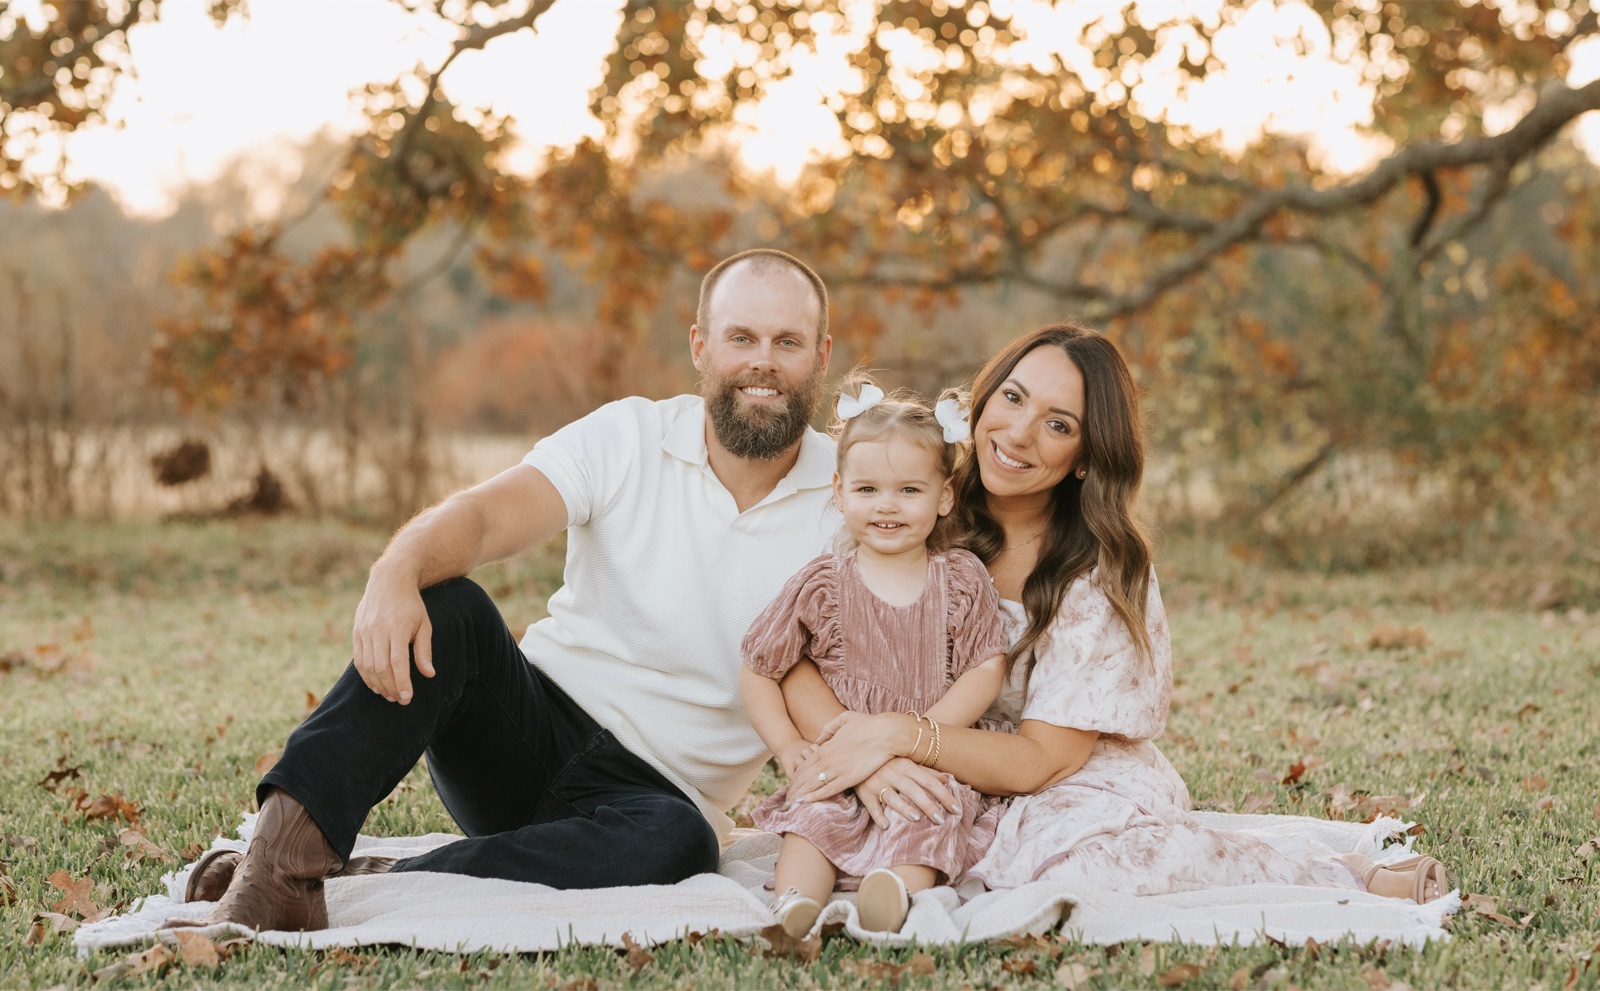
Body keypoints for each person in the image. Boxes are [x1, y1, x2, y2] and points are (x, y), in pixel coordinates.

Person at [168, 248, 841, 933]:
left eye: (786, 341)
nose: (763, 361)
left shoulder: (852, 500)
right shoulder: (629, 435)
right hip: (528, 726)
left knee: (683, 843)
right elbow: (487, 515)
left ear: (820, 355)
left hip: (654, 799)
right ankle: (276, 866)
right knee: (448, 605)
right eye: (741, 338)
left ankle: (380, 876)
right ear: (701, 348)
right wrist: (395, 570)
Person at [780, 323, 1450, 905]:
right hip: (936, 765)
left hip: (1063, 777)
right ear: (983, 400)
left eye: (1058, 424)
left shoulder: (1096, 573)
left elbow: (1042, 759)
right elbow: (799, 655)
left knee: (1077, 864)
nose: (1018, 432)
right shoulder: (909, 505)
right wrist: (865, 758)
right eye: (1012, 398)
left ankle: (1342, 875)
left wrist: (899, 736)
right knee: (849, 833)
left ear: (1084, 456)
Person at [740, 376, 1010, 937]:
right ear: (839, 492)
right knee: (813, 820)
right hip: (838, 758)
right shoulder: (820, 584)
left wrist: (921, 735)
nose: (887, 506)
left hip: (926, 758)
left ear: (945, 496)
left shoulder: (960, 579)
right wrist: (788, 746)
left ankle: (892, 897)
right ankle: (794, 908)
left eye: (909, 491)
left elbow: (987, 665)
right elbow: (760, 667)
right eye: (868, 490)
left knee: (925, 817)